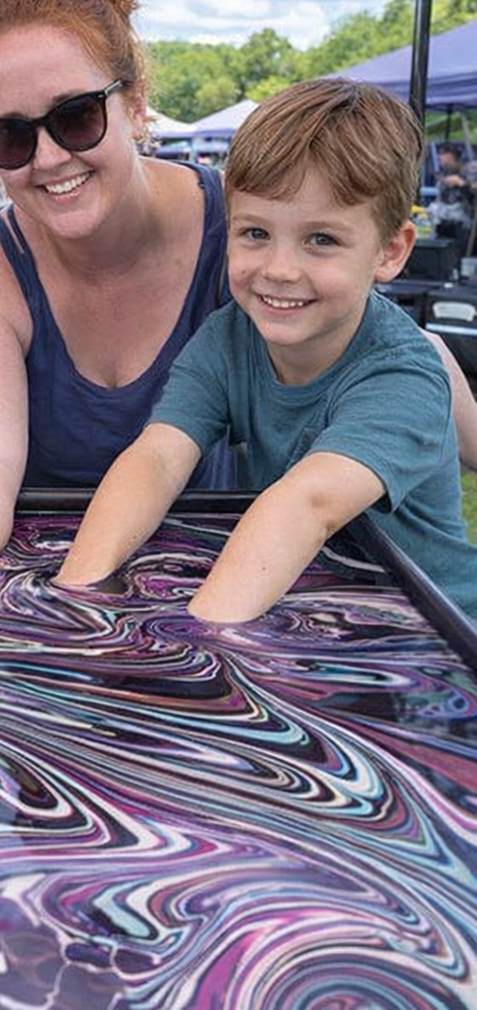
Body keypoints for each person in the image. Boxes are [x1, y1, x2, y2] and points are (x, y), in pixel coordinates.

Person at [56, 79, 477, 622]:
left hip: (434, 629)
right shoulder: (227, 338)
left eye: (321, 239)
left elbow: (307, 505)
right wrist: (74, 597)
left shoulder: (403, 373)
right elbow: (157, 457)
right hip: (321, 611)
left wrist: (194, 643)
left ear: (390, 251)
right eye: (255, 233)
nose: (280, 269)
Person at [0, 0, 231, 578]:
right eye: (11, 136)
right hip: (42, 586)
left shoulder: (238, 224)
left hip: (216, 573)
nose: (50, 157)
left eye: (76, 116)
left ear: (135, 105)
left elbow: (368, 347)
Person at [428, 142, 476, 248]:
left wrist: (462, 183)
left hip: (467, 217)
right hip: (446, 219)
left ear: (451, 155)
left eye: (442, 154)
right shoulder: (444, 172)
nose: (439, 157)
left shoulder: (471, 169)